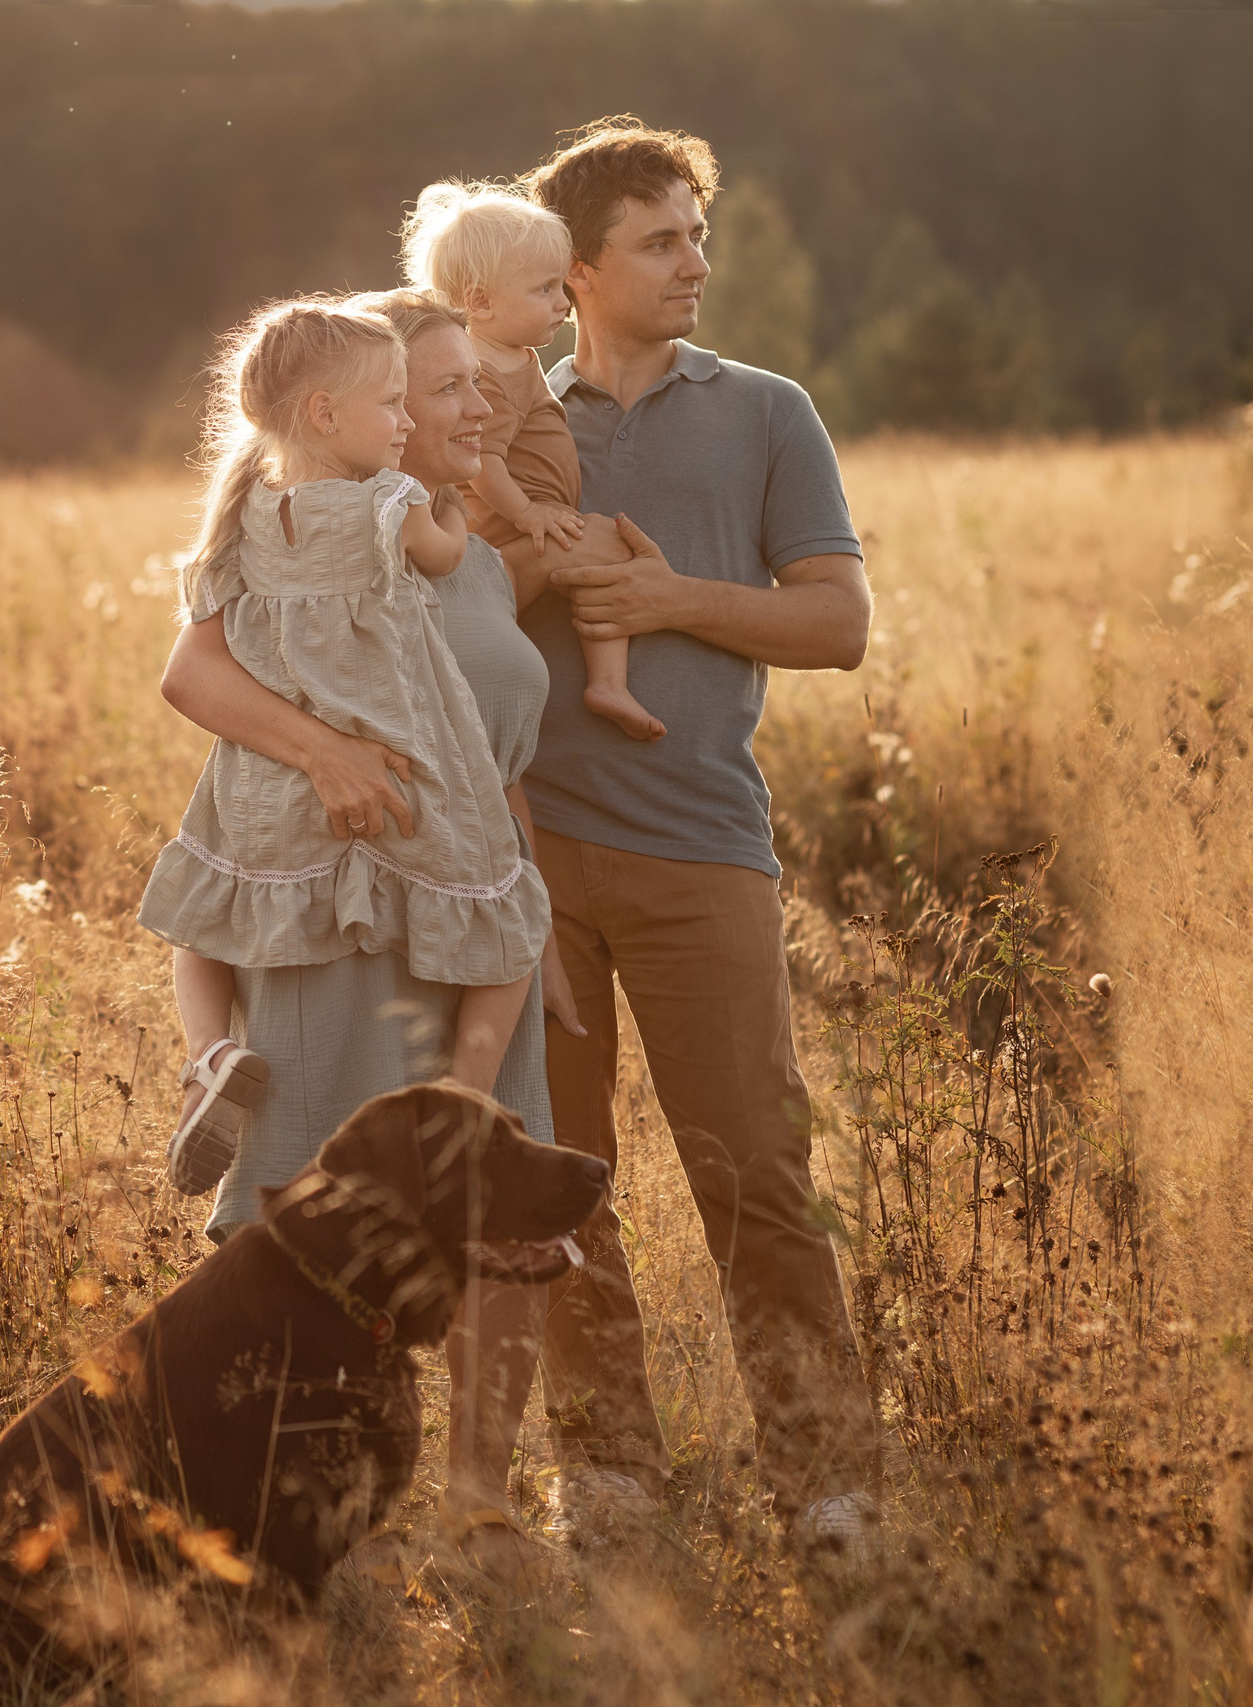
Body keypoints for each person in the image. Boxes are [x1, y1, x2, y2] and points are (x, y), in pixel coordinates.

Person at [153, 291, 576, 1578]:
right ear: (348, 413)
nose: (466, 406)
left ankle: (480, 1503)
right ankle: (316, 1508)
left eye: (467, 386)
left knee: (495, 1198)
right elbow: (193, 679)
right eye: (434, 387)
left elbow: (488, 751)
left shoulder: (487, 561)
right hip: (341, 896)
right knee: (309, 1194)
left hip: (460, 886)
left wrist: (529, 911)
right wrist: (327, 752)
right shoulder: (340, 522)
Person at [513, 119, 884, 1559]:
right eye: (662, 240)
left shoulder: (767, 409)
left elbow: (838, 625)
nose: (695, 263)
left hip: (701, 847)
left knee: (755, 1174)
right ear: (582, 269)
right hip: (531, 866)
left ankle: (831, 1488)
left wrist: (673, 603)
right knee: (555, 1170)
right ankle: (604, 1474)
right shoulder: (510, 420)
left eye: (699, 234)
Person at [137, 296, 547, 1198]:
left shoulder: (238, 519)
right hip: (403, 770)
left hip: (259, 796)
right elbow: (442, 550)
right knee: (511, 913)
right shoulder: (388, 503)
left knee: (202, 906)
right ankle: (461, 1104)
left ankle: (207, 1054)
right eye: (405, 401)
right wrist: (464, 516)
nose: (407, 423)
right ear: (326, 413)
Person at [401, 181, 665, 742]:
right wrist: (527, 516)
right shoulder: (485, 375)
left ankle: (599, 682)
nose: (563, 303)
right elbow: (486, 463)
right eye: (545, 289)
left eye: (560, 286)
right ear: (480, 302)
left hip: (529, 521)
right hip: (508, 528)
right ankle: (608, 684)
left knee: (599, 559)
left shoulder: (515, 357)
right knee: (607, 545)